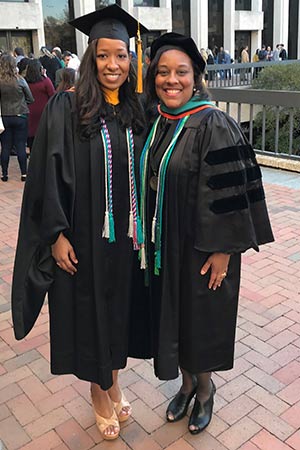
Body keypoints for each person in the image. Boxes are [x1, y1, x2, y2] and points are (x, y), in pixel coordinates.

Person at [12, 4, 149, 441]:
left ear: (131, 60)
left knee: (117, 313)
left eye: (122, 56)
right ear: (91, 58)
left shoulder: (135, 112)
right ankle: (99, 391)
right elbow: (46, 177)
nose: (114, 65)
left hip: (125, 240)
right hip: (83, 240)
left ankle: (112, 379)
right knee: (92, 314)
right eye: (104, 55)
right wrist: (56, 235)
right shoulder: (66, 108)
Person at [141, 32, 274, 435]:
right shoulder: (158, 119)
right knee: (175, 321)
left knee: (200, 324)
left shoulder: (214, 123)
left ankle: (204, 389)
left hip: (203, 249)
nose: (171, 80)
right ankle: (183, 385)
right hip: (165, 246)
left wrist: (224, 250)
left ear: (196, 76)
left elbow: (233, 192)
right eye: (162, 72)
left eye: (181, 72)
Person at [0, 54, 34, 181]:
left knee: (6, 146)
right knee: (20, 145)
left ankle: (4, 174)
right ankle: (24, 173)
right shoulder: (20, 80)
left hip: (5, 115)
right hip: (20, 114)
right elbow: (30, 98)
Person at [25, 58, 55, 152]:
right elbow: (52, 95)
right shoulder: (45, 81)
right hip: (44, 112)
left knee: (31, 137)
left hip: (29, 112)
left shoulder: (25, 82)